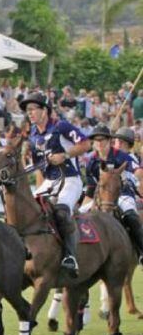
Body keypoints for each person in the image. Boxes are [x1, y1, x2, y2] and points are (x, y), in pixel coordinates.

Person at [20, 92, 90, 277]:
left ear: (45, 110)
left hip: (70, 179)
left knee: (61, 211)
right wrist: (37, 193)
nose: (30, 113)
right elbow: (39, 169)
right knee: (29, 211)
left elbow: (86, 144)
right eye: (28, 110)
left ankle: (70, 257)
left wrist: (65, 155)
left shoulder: (61, 126)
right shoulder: (33, 135)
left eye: (33, 109)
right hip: (49, 181)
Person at [82, 125, 143, 265]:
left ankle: (141, 250)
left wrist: (130, 178)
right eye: (95, 140)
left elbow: (138, 171)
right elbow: (91, 188)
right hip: (100, 198)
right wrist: (84, 206)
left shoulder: (121, 156)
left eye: (102, 140)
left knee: (131, 215)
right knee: (77, 216)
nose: (99, 143)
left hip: (123, 195)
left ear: (109, 140)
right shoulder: (92, 161)